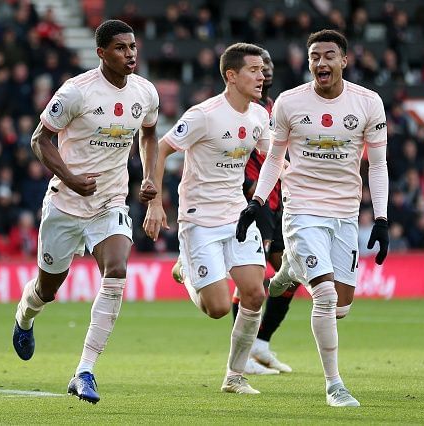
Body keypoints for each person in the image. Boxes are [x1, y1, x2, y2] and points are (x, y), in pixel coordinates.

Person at [236, 29, 390, 407]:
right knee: (322, 295)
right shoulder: (289, 103)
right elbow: (274, 157)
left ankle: (288, 271)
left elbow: (379, 164)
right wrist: (257, 201)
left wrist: (382, 218)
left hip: (345, 213)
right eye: (314, 57)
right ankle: (335, 385)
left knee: (341, 306)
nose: (321, 63)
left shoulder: (368, 103)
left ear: (344, 60)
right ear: (309, 62)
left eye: (328, 56)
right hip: (302, 209)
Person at [11, 20, 160, 404]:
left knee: (117, 270)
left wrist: (147, 177)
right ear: (101, 53)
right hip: (65, 202)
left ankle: (85, 371)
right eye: (120, 48)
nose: (130, 54)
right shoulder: (76, 92)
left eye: (132, 47)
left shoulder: (145, 92)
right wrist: (71, 177)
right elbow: (39, 139)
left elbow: (148, 132)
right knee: (47, 289)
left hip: (110, 201)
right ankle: (25, 316)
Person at [143, 43, 270, 394]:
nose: (262, 76)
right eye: (254, 70)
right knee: (216, 308)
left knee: (255, 295)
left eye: (262, 70)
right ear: (231, 75)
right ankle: (185, 268)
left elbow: (273, 158)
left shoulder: (259, 116)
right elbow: (164, 147)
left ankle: (235, 376)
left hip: (237, 214)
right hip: (199, 217)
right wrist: (155, 202)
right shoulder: (204, 114)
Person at [231, 48, 296, 376]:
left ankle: (260, 344)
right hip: (250, 202)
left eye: (269, 65)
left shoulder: (276, 108)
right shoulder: (239, 109)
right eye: (258, 67)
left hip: (279, 202)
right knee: (252, 278)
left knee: (290, 273)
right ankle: (244, 357)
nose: (265, 71)